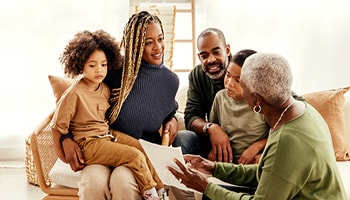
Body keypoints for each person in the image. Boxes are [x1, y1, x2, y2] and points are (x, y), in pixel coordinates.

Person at [168, 52, 347, 199]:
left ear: (257, 100)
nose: (234, 87)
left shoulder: (287, 140)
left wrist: (206, 187)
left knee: (211, 195)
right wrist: (214, 168)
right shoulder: (302, 111)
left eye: (242, 84)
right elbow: (268, 173)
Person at [52, 11, 179, 200]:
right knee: (92, 185)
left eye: (160, 39)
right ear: (135, 44)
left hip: (138, 153)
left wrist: (173, 119)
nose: (158, 47)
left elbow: (169, 110)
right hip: (99, 144)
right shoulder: (112, 70)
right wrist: (66, 139)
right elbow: (79, 103)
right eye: (148, 42)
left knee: (123, 185)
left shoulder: (170, 81)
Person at [209, 49, 269, 164]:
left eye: (238, 80)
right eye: (228, 75)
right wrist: (212, 149)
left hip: (252, 163)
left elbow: (279, 134)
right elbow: (213, 130)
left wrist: (258, 146)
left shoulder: (262, 102)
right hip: (225, 164)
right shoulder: (220, 97)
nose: (229, 83)